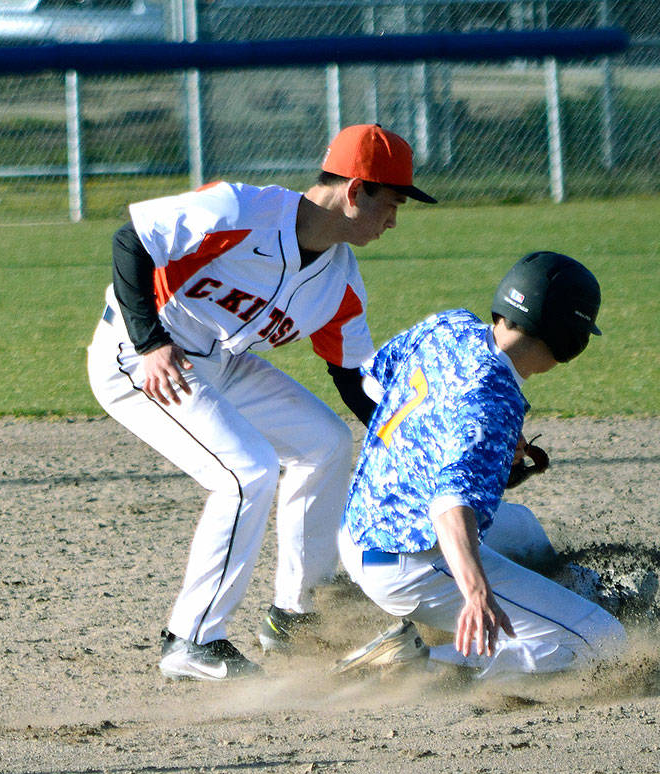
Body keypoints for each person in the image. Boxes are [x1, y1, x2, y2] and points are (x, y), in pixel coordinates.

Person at [86, 124, 436, 682]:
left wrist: (430, 442)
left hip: (220, 364)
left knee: (324, 442)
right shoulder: (239, 210)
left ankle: (295, 615)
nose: (394, 219)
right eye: (391, 203)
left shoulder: (339, 283)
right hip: (141, 353)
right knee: (246, 471)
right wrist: (151, 343)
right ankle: (191, 639)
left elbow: (355, 382)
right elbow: (132, 239)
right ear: (354, 192)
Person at [336, 252, 627, 679]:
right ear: (568, 340)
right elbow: (449, 506)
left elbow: (372, 384)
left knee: (523, 531)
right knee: (602, 642)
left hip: (363, 527)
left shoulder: (450, 327)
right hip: (411, 560)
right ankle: (416, 667)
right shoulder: (493, 404)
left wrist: (450, 438)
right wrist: (475, 591)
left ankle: (559, 599)